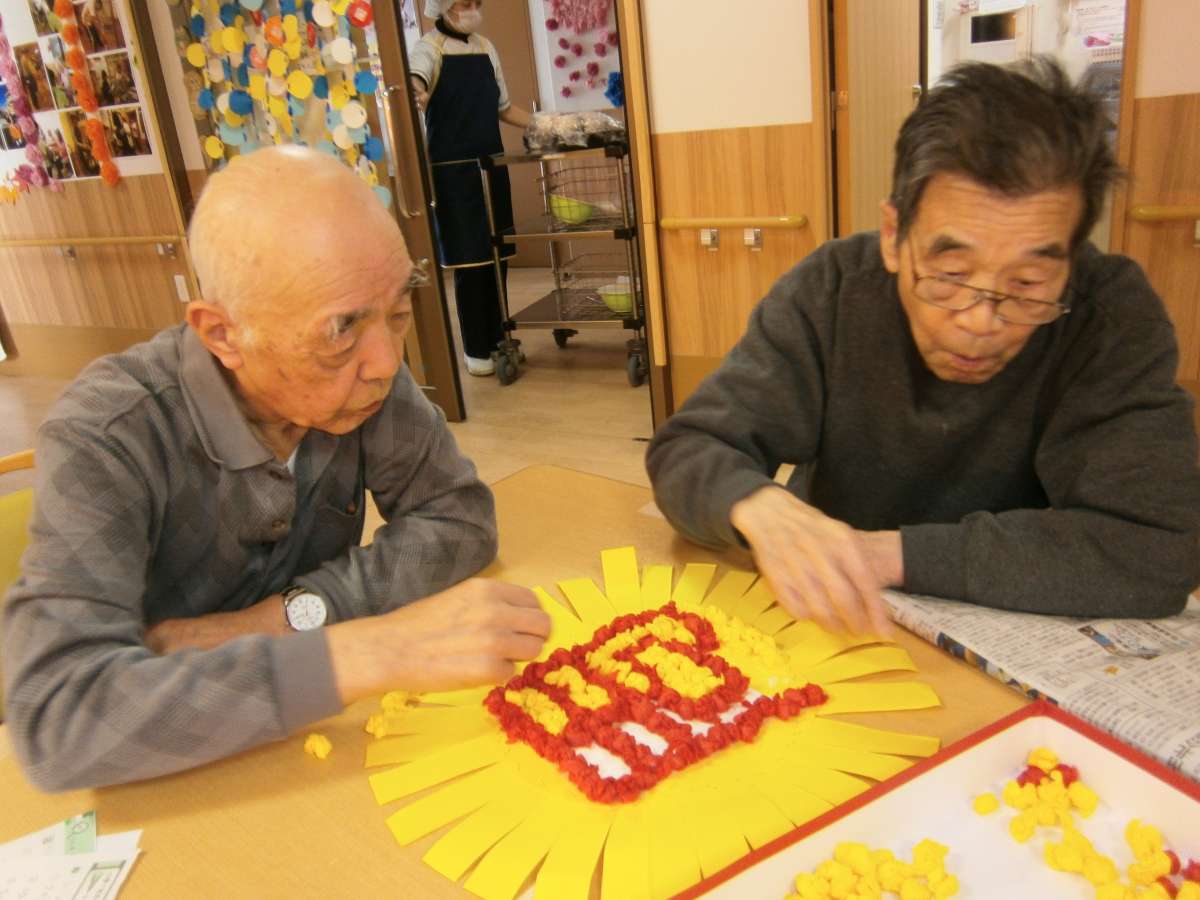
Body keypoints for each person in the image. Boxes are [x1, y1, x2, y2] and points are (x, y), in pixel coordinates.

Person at [2, 147, 551, 792]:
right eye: (340, 329)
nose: (385, 361)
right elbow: (59, 716)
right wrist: (372, 650)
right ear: (222, 335)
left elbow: (459, 519)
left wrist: (285, 618)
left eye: (399, 311)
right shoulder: (109, 431)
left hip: (306, 751)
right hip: (166, 776)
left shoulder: (362, 373)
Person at [646, 58, 1200, 636]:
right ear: (894, 237)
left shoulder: (1109, 315)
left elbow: (1157, 548)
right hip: (837, 625)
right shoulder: (833, 289)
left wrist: (885, 555)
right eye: (951, 275)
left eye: (1028, 285)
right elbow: (689, 447)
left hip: (1018, 626)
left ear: (1072, 256)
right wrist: (758, 506)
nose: (980, 322)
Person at [408, 0, 532, 376]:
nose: (473, 9)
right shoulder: (428, 48)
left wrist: (544, 122)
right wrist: (416, 92)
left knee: (497, 256)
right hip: (454, 174)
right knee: (470, 261)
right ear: (444, 6)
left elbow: (504, 108)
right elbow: (415, 82)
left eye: (477, 2)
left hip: (492, 166)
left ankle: (499, 338)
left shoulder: (485, 47)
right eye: (466, 3)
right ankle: (477, 348)